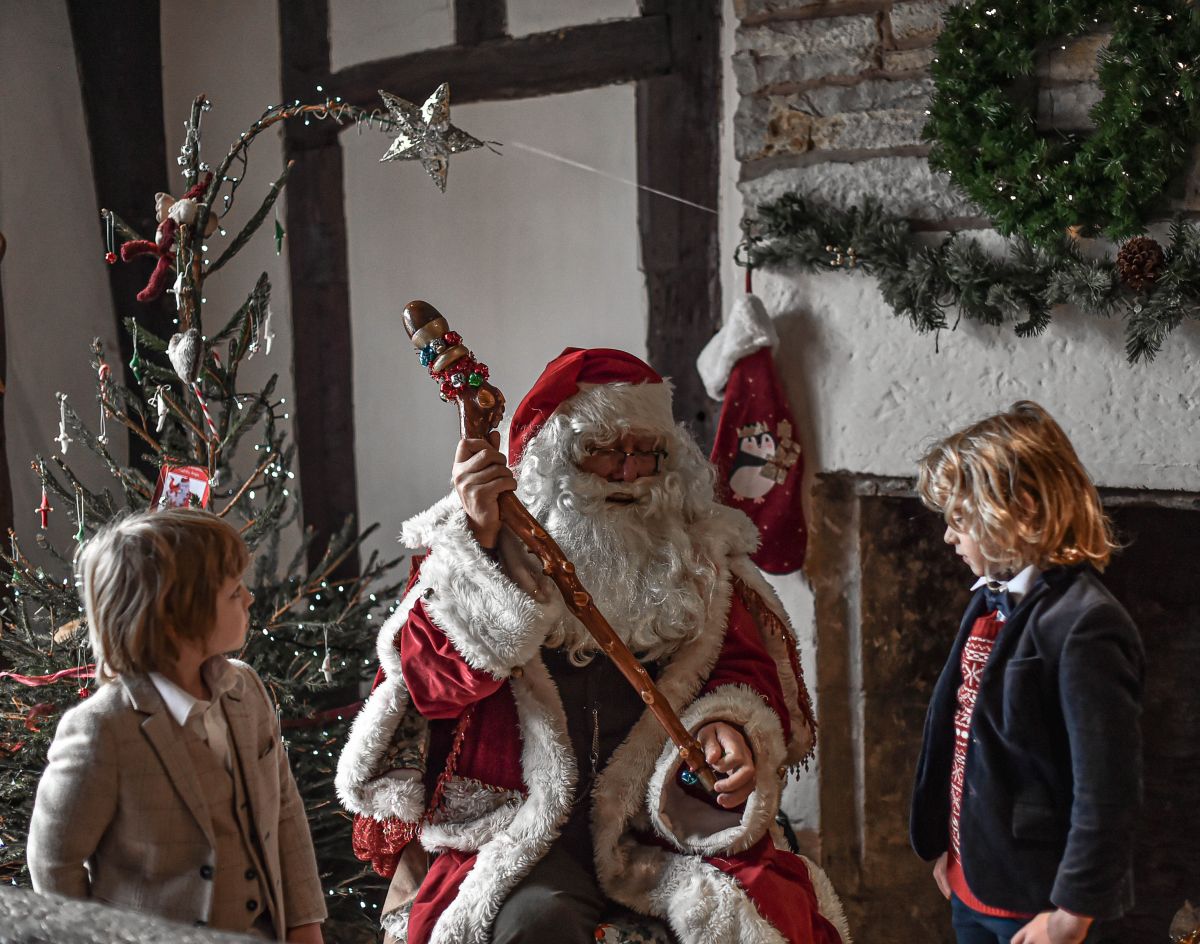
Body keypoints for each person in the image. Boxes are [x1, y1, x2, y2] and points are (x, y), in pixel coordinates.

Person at [337, 348, 849, 944]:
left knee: (762, 915)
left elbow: (740, 670)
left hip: (661, 821)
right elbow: (431, 687)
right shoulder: (474, 555)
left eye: (645, 452)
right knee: (535, 924)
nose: (629, 473)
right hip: (525, 830)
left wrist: (728, 726)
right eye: (603, 449)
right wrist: (477, 549)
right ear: (554, 457)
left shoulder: (701, 559)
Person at [27, 509, 326, 942]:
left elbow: (285, 811)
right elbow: (53, 862)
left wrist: (304, 924)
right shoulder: (101, 729)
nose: (249, 599)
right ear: (175, 617)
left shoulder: (246, 691)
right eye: (232, 592)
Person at [909, 402, 1144, 944]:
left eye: (960, 519)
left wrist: (1069, 916)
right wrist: (948, 844)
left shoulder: (1086, 623)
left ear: (1019, 510)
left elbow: (1106, 789)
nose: (948, 537)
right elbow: (962, 737)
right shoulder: (988, 600)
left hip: (1037, 904)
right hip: (972, 880)